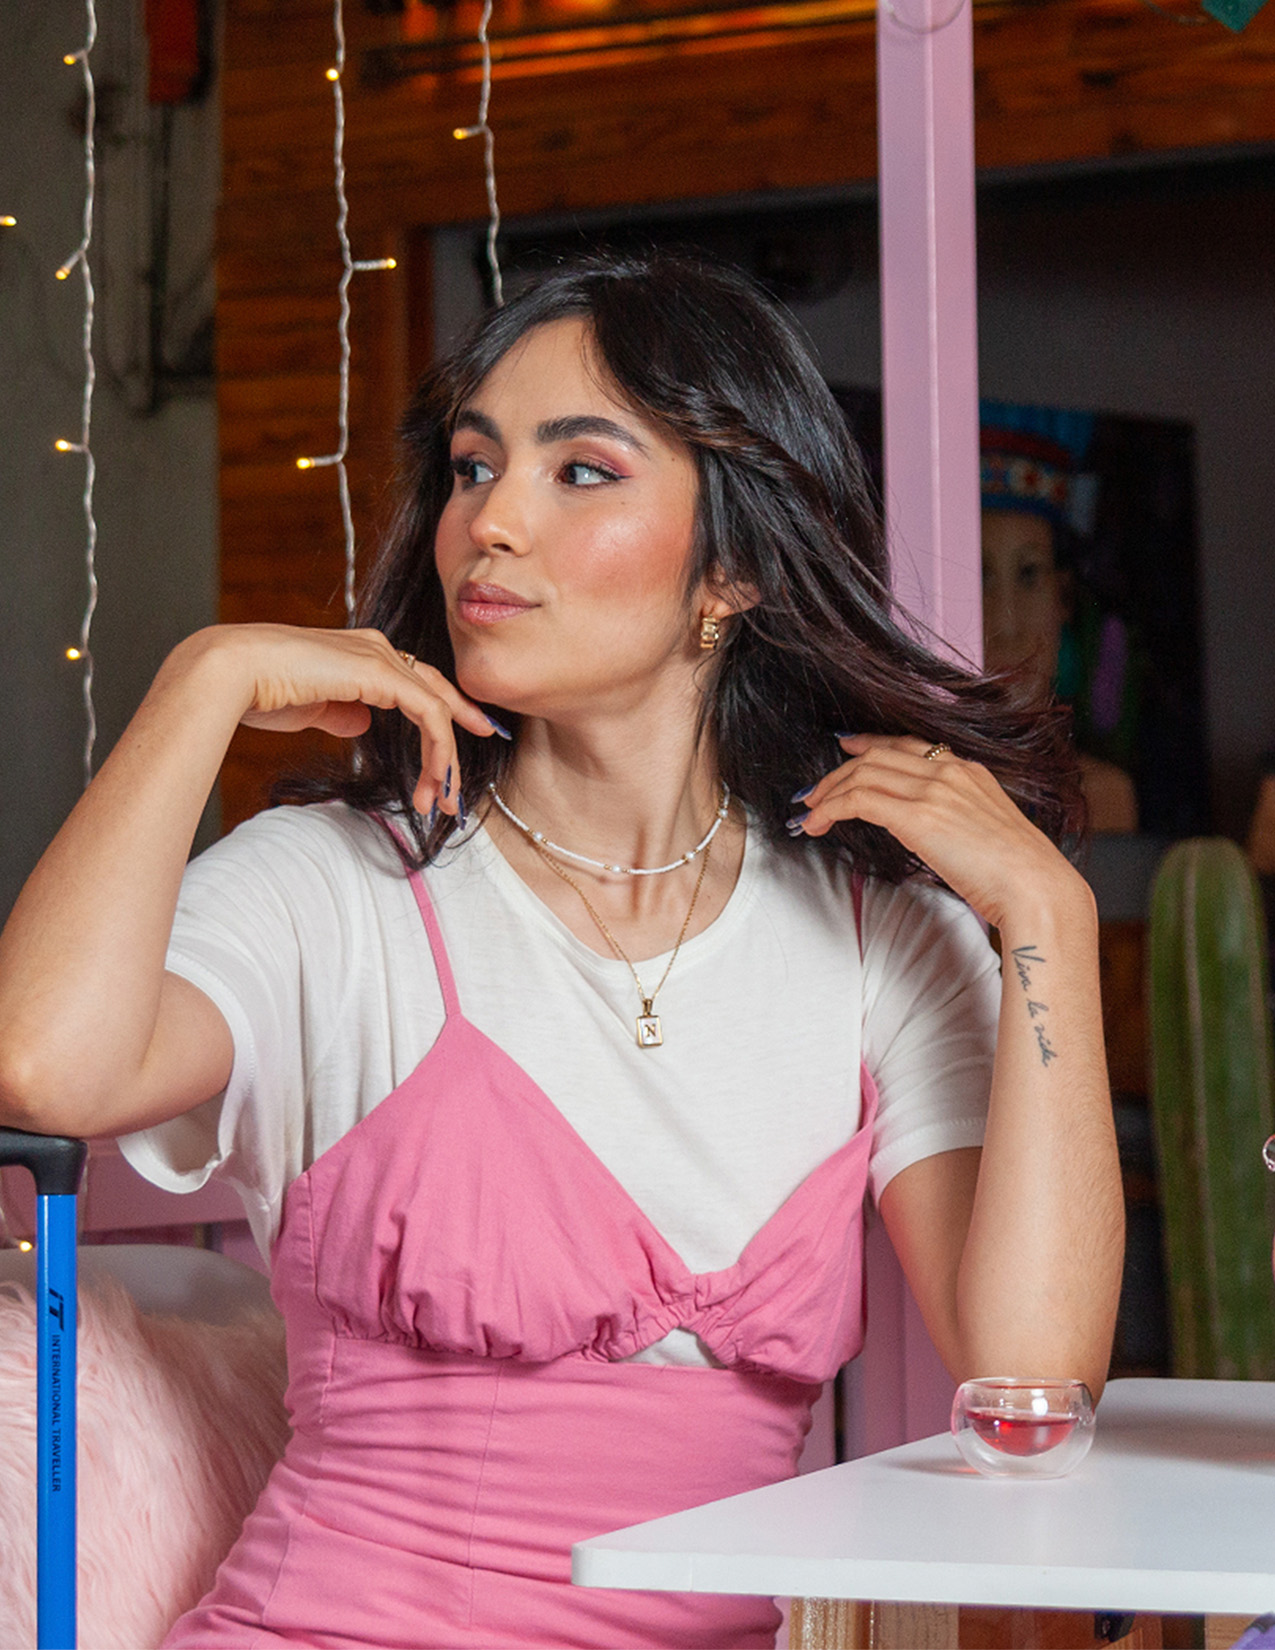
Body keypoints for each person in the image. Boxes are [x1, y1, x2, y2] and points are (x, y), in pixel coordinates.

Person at [0, 253, 1124, 1650]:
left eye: (579, 471)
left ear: (730, 570)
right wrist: (201, 682)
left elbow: (1032, 1372)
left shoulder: (876, 932)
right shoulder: (337, 888)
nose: (491, 521)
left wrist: (1048, 919)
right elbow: (41, 1065)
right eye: (474, 468)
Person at [980, 416, 1139, 834]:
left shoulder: (1104, 795)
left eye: (1029, 573)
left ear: (1063, 597)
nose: (1006, 626)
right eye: (978, 578)